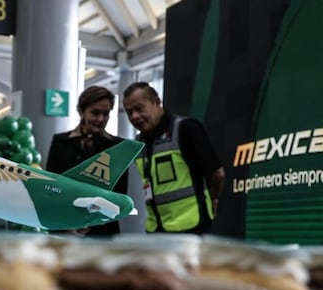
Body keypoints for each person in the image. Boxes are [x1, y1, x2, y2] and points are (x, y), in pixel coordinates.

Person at [122, 82, 224, 234]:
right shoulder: (139, 143)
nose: (135, 116)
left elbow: (217, 174)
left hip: (191, 228)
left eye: (139, 108)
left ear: (156, 102)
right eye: (129, 112)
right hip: (155, 230)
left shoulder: (186, 129)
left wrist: (213, 201)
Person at [46, 85, 127, 236]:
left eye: (106, 113)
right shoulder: (60, 142)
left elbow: (119, 194)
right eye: (95, 113)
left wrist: (91, 220)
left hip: (102, 230)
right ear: (82, 111)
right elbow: (51, 186)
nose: (101, 119)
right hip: (64, 228)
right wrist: (70, 222)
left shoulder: (117, 147)